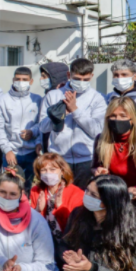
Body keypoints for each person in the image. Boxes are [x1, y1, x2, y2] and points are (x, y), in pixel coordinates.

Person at [92, 96, 136, 230]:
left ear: (133, 119)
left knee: (133, 230)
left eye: (122, 116)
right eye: (113, 116)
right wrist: (97, 171)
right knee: (105, 229)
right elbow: (95, 166)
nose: (117, 120)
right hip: (114, 194)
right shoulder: (101, 140)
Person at [39, 58, 107, 189]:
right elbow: (43, 127)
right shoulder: (53, 95)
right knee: (59, 199)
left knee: (83, 200)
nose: (81, 83)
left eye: (86, 79)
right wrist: (59, 115)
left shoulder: (98, 98)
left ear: (92, 76)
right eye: (77, 79)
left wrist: (75, 110)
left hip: (87, 160)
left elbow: (97, 131)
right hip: (59, 158)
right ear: (69, 75)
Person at [0, 67, 42, 188]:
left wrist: (33, 132)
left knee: (29, 187)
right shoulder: (2, 101)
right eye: (18, 79)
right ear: (13, 79)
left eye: (25, 79)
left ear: (31, 81)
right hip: (11, 153)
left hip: (32, 153)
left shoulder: (38, 100)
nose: (21, 82)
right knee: (9, 186)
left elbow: (41, 124)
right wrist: (7, 150)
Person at [29, 153, 84, 249]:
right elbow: (30, 222)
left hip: (68, 243)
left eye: (52, 169)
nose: (48, 173)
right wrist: (37, 210)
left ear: (62, 171)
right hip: (43, 241)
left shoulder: (76, 193)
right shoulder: (36, 190)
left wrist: (60, 207)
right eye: (44, 170)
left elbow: (76, 226)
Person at [39, 62, 69, 154]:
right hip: (47, 148)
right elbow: (42, 125)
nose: (41, 79)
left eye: (44, 77)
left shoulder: (66, 96)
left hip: (63, 150)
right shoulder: (47, 96)